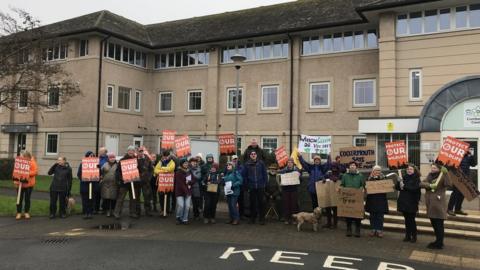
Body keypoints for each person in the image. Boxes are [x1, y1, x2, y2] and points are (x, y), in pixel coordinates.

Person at [420, 163, 450, 249]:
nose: (432, 169)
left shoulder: (443, 175)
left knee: (439, 224)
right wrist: (429, 185)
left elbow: (449, 184)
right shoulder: (429, 176)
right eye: (432, 168)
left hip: (438, 204)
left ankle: (439, 243)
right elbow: (421, 184)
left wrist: (446, 173)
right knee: (434, 223)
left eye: (434, 168)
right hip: (430, 204)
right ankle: (438, 240)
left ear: (439, 169)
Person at [395, 164, 421, 243]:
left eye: (411, 169)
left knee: (411, 220)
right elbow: (398, 188)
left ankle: (414, 236)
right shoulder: (404, 177)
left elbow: (413, 189)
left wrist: (404, 186)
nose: (409, 170)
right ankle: (407, 235)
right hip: (404, 202)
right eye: (408, 169)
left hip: (412, 203)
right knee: (406, 220)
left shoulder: (417, 179)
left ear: (414, 170)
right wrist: (398, 182)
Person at [113, 146, 141, 219]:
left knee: (133, 198)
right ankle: (117, 213)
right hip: (124, 183)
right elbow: (117, 172)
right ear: (127, 151)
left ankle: (132, 212)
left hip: (134, 183)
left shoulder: (136, 160)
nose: (131, 152)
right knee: (121, 198)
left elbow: (139, 170)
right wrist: (121, 178)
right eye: (130, 151)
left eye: (132, 151)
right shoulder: (122, 160)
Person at [242, 151, 268, 225]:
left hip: (260, 186)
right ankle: (252, 218)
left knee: (261, 203)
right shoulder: (247, 164)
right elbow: (244, 176)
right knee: (252, 203)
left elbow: (264, 174)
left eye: (254, 154)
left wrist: (265, 183)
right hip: (251, 186)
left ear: (256, 155)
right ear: (250, 156)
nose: (253, 155)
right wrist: (246, 185)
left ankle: (261, 219)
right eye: (252, 154)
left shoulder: (261, 163)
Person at [340, 161, 365, 237]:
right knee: (348, 214)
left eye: (354, 165)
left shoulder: (360, 176)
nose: (352, 166)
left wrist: (362, 188)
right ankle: (349, 229)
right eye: (351, 165)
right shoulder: (345, 176)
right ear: (349, 167)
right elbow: (342, 185)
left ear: (356, 167)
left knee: (357, 215)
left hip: (357, 198)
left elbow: (363, 185)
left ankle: (357, 230)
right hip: (348, 198)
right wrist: (340, 188)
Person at [448, 151, 476, 216]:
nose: (467, 150)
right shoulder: (456, 156)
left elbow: (474, 164)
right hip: (457, 177)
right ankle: (450, 209)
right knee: (455, 193)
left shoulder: (469, 156)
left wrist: (471, 156)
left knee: (462, 194)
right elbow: (450, 165)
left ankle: (458, 209)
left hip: (465, 178)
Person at [365, 165, 388, 238]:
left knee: (380, 216)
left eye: (378, 170)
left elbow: (387, 187)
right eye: (376, 170)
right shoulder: (369, 178)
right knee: (372, 216)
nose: (377, 172)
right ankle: (373, 229)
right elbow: (366, 187)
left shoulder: (384, 178)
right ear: (373, 171)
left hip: (381, 200)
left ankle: (379, 230)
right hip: (372, 200)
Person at [15, 151, 38, 220]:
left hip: (29, 184)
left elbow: (35, 172)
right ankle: (19, 213)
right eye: (20, 155)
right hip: (20, 184)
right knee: (19, 199)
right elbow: (16, 171)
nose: (20, 156)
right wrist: (16, 181)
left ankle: (26, 212)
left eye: (21, 155)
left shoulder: (32, 162)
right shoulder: (19, 162)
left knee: (27, 199)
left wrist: (26, 172)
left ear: (26, 156)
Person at [77, 151, 99, 219]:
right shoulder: (82, 164)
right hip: (85, 185)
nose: (91, 157)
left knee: (91, 199)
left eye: (92, 156)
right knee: (85, 199)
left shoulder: (96, 164)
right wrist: (85, 178)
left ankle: (90, 212)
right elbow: (79, 174)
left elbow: (99, 173)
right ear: (87, 156)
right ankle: (85, 212)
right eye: (90, 155)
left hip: (93, 185)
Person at [278, 158, 300, 225]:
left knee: (293, 204)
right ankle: (287, 219)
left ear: (293, 163)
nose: (289, 163)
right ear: (287, 163)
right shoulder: (283, 171)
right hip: (286, 190)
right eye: (288, 162)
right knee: (286, 204)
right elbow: (279, 178)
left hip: (294, 190)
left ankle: (294, 219)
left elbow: (300, 180)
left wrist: (299, 176)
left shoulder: (297, 170)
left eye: (291, 162)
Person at [175, 158, 195, 225]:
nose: (186, 164)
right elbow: (180, 184)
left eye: (186, 163)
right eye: (184, 163)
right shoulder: (178, 172)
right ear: (181, 164)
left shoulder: (189, 171)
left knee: (187, 206)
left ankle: (185, 219)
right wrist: (186, 191)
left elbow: (193, 180)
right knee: (181, 205)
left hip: (188, 191)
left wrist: (190, 182)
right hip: (180, 192)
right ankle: (178, 217)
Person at [323, 162, 341, 229]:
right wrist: (323, 179)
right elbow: (323, 176)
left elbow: (341, 181)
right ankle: (329, 223)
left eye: (335, 167)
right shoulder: (329, 173)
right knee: (328, 209)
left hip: (335, 194)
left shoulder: (340, 174)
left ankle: (335, 224)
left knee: (335, 210)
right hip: (328, 193)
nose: (334, 169)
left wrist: (337, 179)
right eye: (332, 167)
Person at [137, 147, 153, 217]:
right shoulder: (134, 159)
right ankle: (137, 211)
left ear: (143, 152)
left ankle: (148, 211)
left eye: (142, 151)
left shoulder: (148, 159)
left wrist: (149, 178)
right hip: (137, 181)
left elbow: (151, 170)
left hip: (146, 181)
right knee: (137, 197)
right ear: (137, 152)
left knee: (147, 196)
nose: (141, 153)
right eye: (139, 151)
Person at [100, 153, 119, 217]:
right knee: (107, 198)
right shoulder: (105, 164)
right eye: (111, 158)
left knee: (113, 198)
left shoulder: (117, 165)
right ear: (108, 158)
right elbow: (100, 172)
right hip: (106, 185)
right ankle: (107, 211)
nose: (112, 159)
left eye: (113, 157)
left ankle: (113, 210)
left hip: (114, 184)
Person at [98, 147, 109, 213]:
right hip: (98, 178)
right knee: (98, 193)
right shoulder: (98, 158)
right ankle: (98, 207)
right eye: (100, 151)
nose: (100, 152)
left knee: (105, 194)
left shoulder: (107, 159)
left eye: (102, 151)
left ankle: (104, 207)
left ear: (105, 152)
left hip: (105, 178)